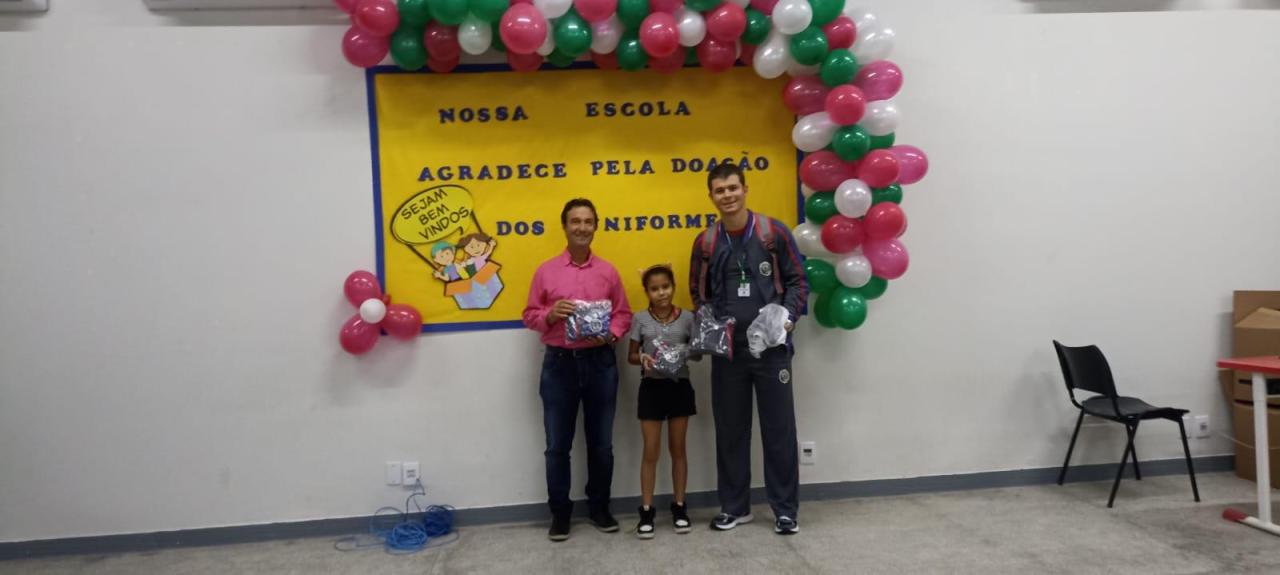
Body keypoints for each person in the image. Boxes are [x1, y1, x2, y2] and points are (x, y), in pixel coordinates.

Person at [688, 163, 808, 535]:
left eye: (733, 188)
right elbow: (698, 293)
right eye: (720, 190)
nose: (727, 195)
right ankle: (735, 507)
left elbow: (798, 281)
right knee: (731, 431)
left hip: (772, 353)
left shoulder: (774, 233)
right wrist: (710, 325)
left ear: (745, 189)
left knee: (779, 431)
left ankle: (785, 510)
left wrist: (787, 319)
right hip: (729, 355)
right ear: (711, 196)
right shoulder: (706, 242)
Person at [522, 198, 633, 542]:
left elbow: (623, 314)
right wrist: (550, 315)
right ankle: (560, 513)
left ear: (595, 226)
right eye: (575, 221)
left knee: (602, 445)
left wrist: (611, 334)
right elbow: (529, 315)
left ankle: (599, 508)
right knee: (557, 445)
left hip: (600, 362)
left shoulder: (609, 272)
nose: (582, 227)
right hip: (560, 364)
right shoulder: (546, 271)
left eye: (588, 221)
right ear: (565, 226)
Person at [626, 265, 697, 539]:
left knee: (678, 449)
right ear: (647, 292)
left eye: (665, 287)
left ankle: (679, 507)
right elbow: (631, 356)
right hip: (651, 389)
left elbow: (699, 353)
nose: (661, 293)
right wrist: (642, 358)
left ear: (673, 287)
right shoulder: (640, 319)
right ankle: (646, 510)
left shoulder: (688, 318)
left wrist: (685, 351)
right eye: (654, 289)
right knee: (651, 451)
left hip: (679, 387)